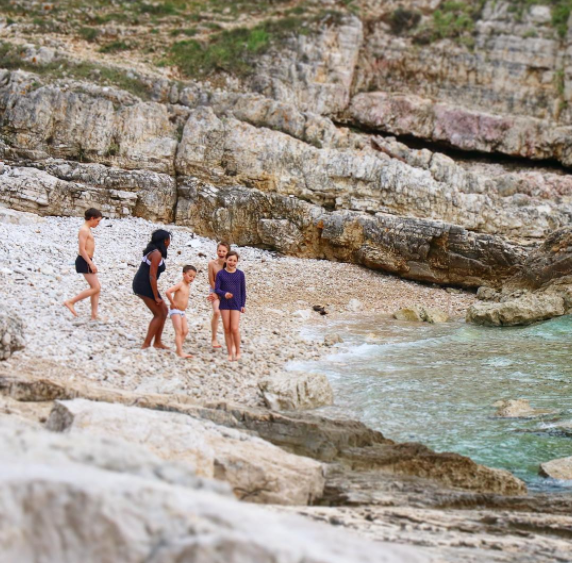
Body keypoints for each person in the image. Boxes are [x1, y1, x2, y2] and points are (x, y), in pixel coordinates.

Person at [132, 229, 172, 350]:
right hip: (144, 284)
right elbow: (152, 276)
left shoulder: (153, 250)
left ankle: (157, 342)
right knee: (159, 314)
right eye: (169, 239)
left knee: (164, 311)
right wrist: (155, 297)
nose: (170, 242)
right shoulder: (156, 254)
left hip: (144, 283)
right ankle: (146, 344)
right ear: (165, 241)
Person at [63, 208, 103, 320]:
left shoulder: (87, 229)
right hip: (84, 261)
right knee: (96, 287)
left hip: (87, 260)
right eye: (98, 221)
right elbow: (81, 249)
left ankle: (94, 315)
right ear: (92, 218)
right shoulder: (84, 230)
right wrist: (90, 263)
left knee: (96, 287)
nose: (98, 224)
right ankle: (71, 301)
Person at [214, 251, 246, 361]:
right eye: (230, 260)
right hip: (224, 304)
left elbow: (243, 291)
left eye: (234, 261)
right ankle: (229, 352)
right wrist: (224, 294)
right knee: (227, 329)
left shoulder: (240, 274)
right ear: (226, 260)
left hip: (236, 303)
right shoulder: (220, 274)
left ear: (237, 262)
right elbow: (217, 289)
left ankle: (238, 351)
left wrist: (243, 305)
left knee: (235, 328)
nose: (232, 262)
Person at [165, 265, 197, 359]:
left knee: (185, 331)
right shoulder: (180, 284)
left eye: (194, 277)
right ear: (184, 274)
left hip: (182, 312)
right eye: (190, 275)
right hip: (175, 311)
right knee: (179, 331)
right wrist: (172, 303)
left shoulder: (187, 286)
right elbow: (168, 292)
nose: (192, 278)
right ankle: (180, 352)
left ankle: (178, 348)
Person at [206, 242, 230, 349]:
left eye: (224, 251)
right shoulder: (211, 264)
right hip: (215, 289)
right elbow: (211, 280)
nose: (221, 253)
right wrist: (217, 293)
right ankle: (213, 338)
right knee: (216, 312)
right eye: (219, 250)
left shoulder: (230, 264)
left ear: (227, 252)